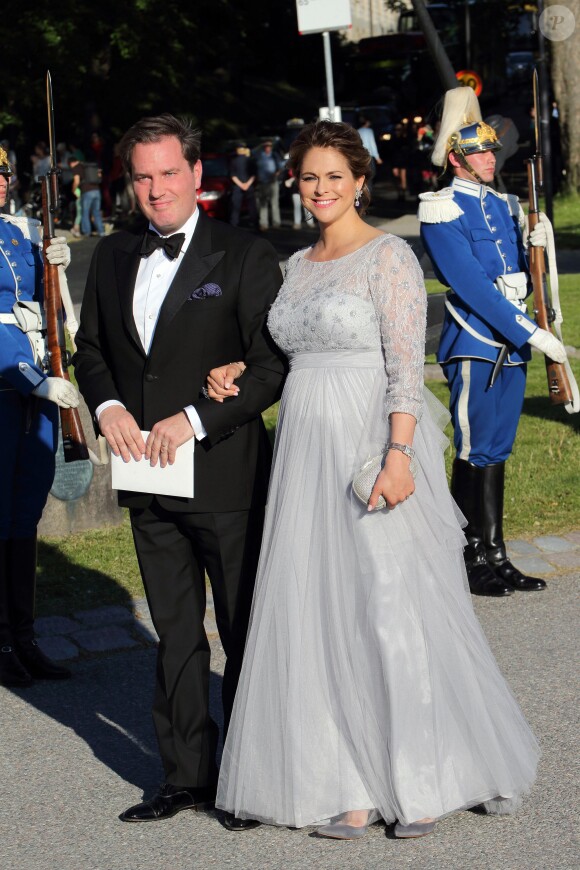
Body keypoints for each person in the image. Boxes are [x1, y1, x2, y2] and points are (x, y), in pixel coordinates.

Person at [210, 120, 539, 838]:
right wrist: (240, 366)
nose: (322, 189)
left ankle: (418, 779)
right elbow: (279, 346)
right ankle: (348, 782)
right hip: (304, 450)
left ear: (361, 180)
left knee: (388, 605)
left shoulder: (388, 256)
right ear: (295, 187)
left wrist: (398, 452)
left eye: (334, 175)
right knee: (320, 608)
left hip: (369, 439)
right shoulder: (295, 268)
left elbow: (403, 365)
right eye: (309, 177)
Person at [72, 114, 285, 827]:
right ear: (128, 183)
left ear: (198, 175)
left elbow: (270, 366)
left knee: (244, 628)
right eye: (143, 176)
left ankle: (254, 776)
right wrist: (104, 406)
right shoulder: (111, 254)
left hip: (223, 473)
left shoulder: (244, 255)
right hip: (146, 476)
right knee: (175, 633)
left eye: (169, 174)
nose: (157, 190)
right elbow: (92, 348)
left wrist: (193, 419)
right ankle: (185, 776)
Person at [418, 88, 567, 598]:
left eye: (490, 150)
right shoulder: (440, 209)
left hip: (515, 341)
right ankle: (468, 554)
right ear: (456, 158)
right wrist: (530, 331)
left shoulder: (505, 204)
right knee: (474, 448)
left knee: (498, 449)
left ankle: (496, 552)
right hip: (477, 342)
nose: (490, 157)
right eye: (479, 151)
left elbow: (521, 277)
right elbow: (473, 287)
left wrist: (537, 244)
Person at [0, 145, 79, 687]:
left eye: (2, 173)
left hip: (37, 388)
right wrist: (33, 380)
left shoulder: (14, 233)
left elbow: (46, 303)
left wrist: (58, 264)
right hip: (8, 386)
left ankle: (24, 637)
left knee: (25, 509)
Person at [71, 158, 106, 237]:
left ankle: (87, 232)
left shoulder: (77, 167)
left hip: (86, 192)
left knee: (85, 213)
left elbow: (76, 181)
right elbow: (100, 176)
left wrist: (73, 190)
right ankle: (101, 232)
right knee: (96, 212)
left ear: (71, 163)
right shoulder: (92, 166)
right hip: (97, 191)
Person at [254, 140, 282, 230]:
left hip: (273, 182)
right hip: (262, 183)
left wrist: (275, 175)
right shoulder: (259, 155)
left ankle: (276, 223)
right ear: (263, 147)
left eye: (269, 146)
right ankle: (263, 223)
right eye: (266, 146)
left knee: (274, 203)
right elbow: (252, 152)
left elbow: (280, 168)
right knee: (263, 204)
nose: (268, 148)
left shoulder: (274, 156)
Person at [229, 143, 258, 228]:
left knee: (236, 206)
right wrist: (247, 184)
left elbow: (233, 176)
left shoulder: (233, 161)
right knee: (252, 205)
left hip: (237, 186)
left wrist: (241, 185)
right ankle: (255, 223)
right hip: (249, 185)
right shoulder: (250, 160)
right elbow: (254, 175)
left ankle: (234, 224)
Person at [357, 115, 383, 192]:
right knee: (371, 175)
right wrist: (377, 157)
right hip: (369, 155)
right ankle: (369, 194)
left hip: (360, 156)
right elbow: (372, 144)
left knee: (363, 175)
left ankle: (363, 193)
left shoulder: (357, 131)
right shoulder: (369, 131)